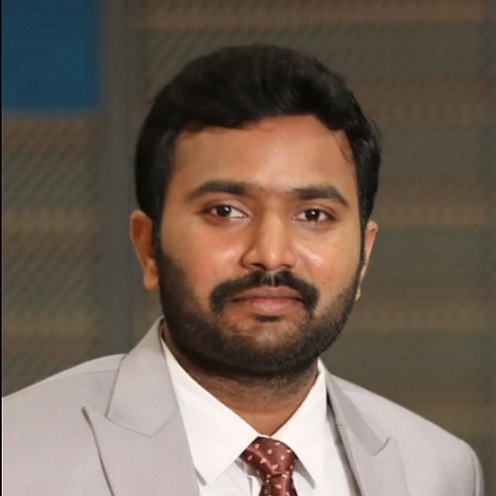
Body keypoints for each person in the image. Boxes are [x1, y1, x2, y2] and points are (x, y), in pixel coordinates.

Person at [4, 44, 484, 496]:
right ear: (148, 247)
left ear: (365, 254)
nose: (271, 255)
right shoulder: (17, 456)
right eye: (225, 211)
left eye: (313, 214)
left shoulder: (440, 471)